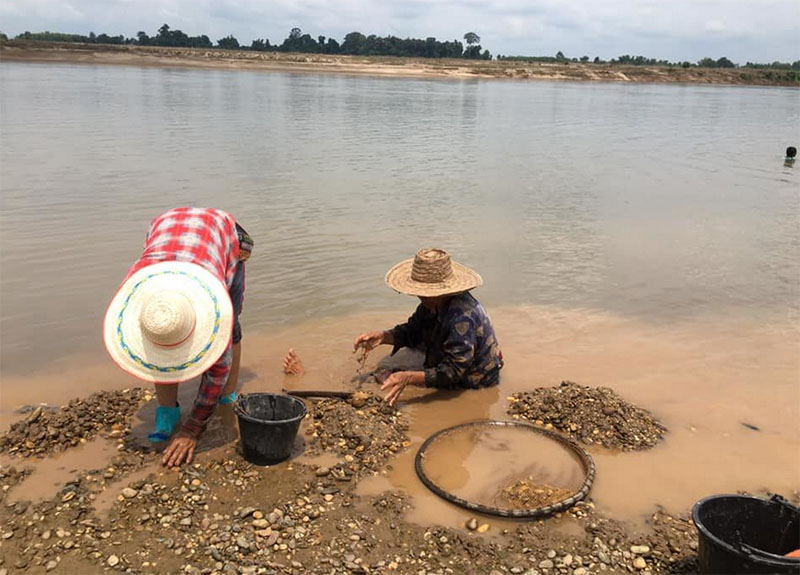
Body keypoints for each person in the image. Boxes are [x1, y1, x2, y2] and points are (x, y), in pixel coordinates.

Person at [103, 207, 253, 467]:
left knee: (231, 325)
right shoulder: (135, 291)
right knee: (161, 337)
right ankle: (167, 411)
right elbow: (153, 343)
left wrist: (193, 429)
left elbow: (218, 370)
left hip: (224, 235)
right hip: (166, 229)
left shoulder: (213, 299)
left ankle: (228, 396)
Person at [353, 248, 503, 406]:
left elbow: (454, 370)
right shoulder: (430, 305)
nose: (418, 296)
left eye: (422, 293)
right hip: (452, 364)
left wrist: (409, 378)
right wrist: (383, 336)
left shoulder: (461, 316)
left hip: (475, 381)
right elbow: (413, 331)